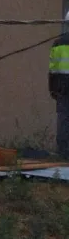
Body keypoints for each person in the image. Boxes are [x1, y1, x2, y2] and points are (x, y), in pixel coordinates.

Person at [49, 13, 69, 158]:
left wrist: (52, 88)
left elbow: (52, 70)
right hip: (63, 88)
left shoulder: (58, 44)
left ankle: (63, 154)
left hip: (63, 87)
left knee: (64, 120)